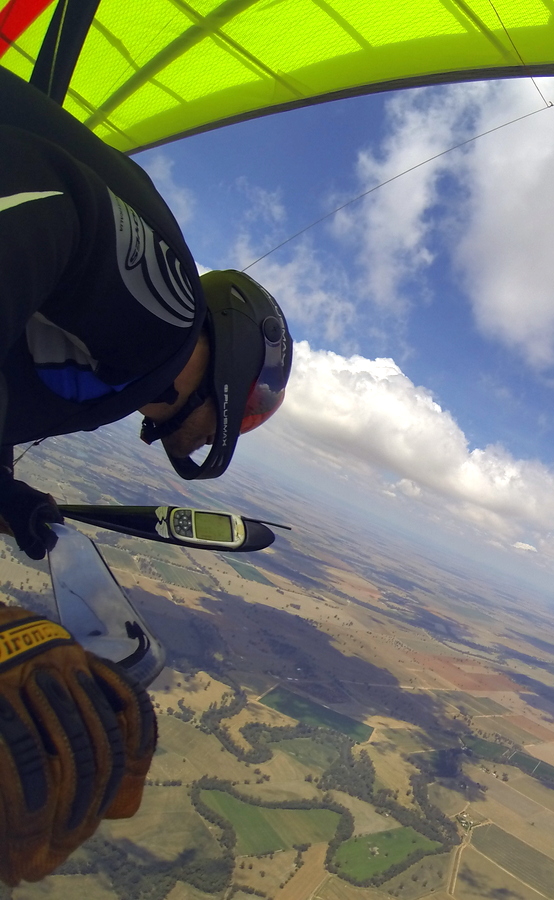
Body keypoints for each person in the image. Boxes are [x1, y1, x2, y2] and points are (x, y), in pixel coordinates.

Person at [0, 67, 293, 883]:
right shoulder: (163, 316)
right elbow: (47, 199)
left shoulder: (122, 366)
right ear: (233, 370)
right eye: (249, 414)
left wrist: (8, 493)